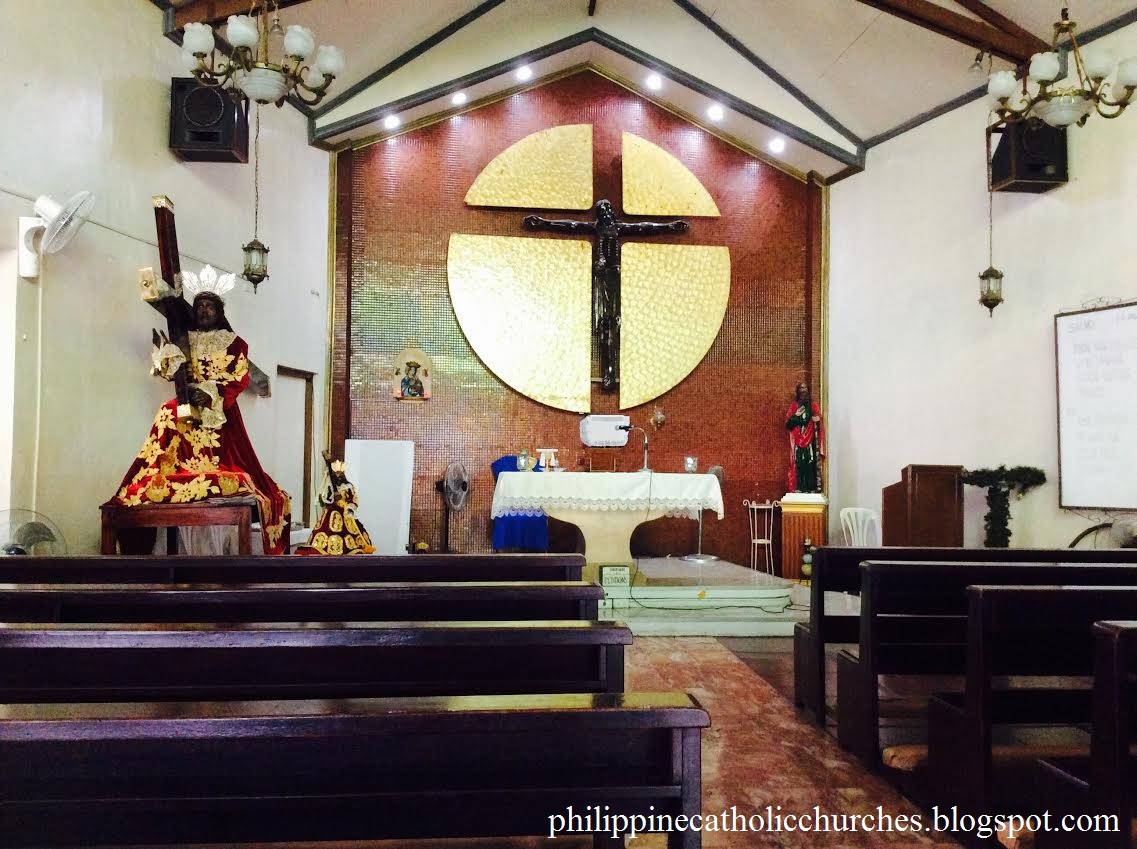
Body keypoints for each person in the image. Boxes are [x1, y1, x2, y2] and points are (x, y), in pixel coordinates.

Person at [111, 268, 291, 554]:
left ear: (220, 311)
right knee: (168, 411)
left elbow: (238, 379)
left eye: (210, 306)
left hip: (218, 410)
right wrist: (165, 362)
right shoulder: (185, 339)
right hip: (187, 404)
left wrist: (209, 393)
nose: (204, 310)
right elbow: (175, 370)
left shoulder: (235, 344)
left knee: (222, 447)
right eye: (200, 306)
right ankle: (165, 465)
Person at [785, 382, 824, 493]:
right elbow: (788, 424)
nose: (803, 390)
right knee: (799, 463)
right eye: (801, 388)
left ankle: (811, 488)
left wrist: (817, 420)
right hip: (798, 440)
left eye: (805, 388)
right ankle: (799, 488)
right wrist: (796, 416)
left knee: (810, 462)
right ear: (798, 391)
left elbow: (819, 419)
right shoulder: (794, 406)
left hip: (810, 439)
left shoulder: (813, 405)